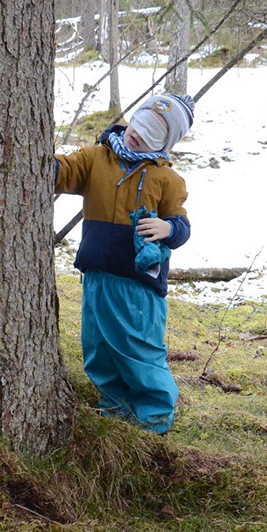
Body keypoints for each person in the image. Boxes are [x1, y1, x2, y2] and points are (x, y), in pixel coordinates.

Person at [54, 93, 195, 434]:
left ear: (166, 143)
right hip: (97, 278)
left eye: (152, 135)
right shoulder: (96, 158)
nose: (138, 135)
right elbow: (66, 171)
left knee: (139, 353)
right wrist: (47, 166)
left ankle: (153, 421)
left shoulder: (167, 180)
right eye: (140, 125)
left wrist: (167, 228)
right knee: (98, 349)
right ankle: (114, 420)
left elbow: (182, 227)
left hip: (138, 289)